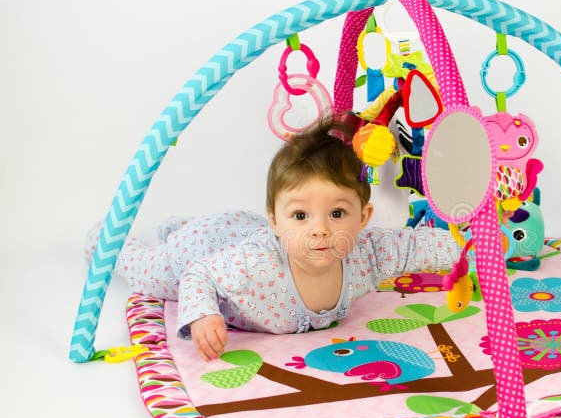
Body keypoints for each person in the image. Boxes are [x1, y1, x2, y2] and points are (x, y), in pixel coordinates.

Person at [85, 116, 460, 361]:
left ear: (363, 218)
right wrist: (202, 315)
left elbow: (420, 246)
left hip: (238, 229)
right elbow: (199, 276)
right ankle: (105, 239)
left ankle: (176, 225)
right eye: (300, 215)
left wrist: (479, 246)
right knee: (151, 273)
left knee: (216, 234)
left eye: (337, 214)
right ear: (276, 221)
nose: (320, 230)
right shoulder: (257, 264)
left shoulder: (369, 252)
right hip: (202, 249)